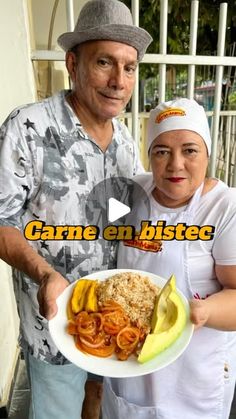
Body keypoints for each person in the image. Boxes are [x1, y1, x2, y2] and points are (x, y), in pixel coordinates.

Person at [0, 1, 152, 418]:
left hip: (113, 319)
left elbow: (127, 214)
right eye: (104, 62)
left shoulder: (123, 139)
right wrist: (46, 272)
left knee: (97, 403)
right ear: (73, 62)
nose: (119, 81)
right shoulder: (27, 128)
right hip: (53, 326)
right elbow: (2, 221)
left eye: (130, 67)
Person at [101, 98, 236, 419]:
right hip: (127, 356)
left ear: (207, 153)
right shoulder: (132, 193)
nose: (175, 164)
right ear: (149, 156)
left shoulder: (223, 207)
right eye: (161, 152)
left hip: (192, 371)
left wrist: (201, 311)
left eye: (189, 150)